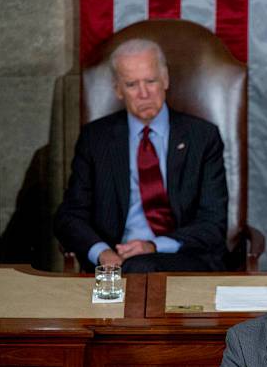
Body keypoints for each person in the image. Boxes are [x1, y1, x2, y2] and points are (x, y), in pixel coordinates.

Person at [54, 39, 228, 272]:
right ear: (117, 89)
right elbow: (70, 216)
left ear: (165, 80)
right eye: (132, 84)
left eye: (151, 81)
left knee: (141, 267)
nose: (144, 93)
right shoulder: (95, 139)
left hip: (185, 257)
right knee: (134, 269)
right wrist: (102, 253)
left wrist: (153, 246)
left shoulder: (202, 136)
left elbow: (213, 223)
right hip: (116, 260)